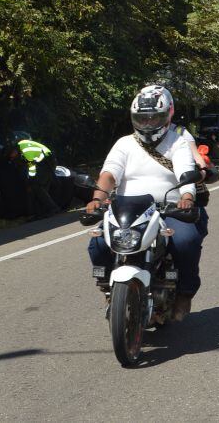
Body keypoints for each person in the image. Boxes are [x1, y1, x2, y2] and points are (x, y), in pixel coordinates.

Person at [87, 85, 203, 322]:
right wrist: (97, 198)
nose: (148, 124)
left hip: (167, 209)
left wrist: (187, 197)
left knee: (185, 240)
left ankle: (184, 293)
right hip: (126, 210)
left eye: (154, 118)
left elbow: (185, 172)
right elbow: (109, 174)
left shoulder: (178, 142)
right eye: (143, 118)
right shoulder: (124, 144)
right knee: (97, 243)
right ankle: (108, 287)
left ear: (167, 115)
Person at [5, 132, 60, 219]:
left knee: (37, 186)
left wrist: (31, 180)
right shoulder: (21, 147)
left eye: (11, 156)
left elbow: (32, 166)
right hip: (44, 161)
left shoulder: (25, 149)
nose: (12, 158)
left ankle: (53, 208)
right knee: (41, 188)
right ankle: (42, 211)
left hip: (46, 161)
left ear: (13, 150)